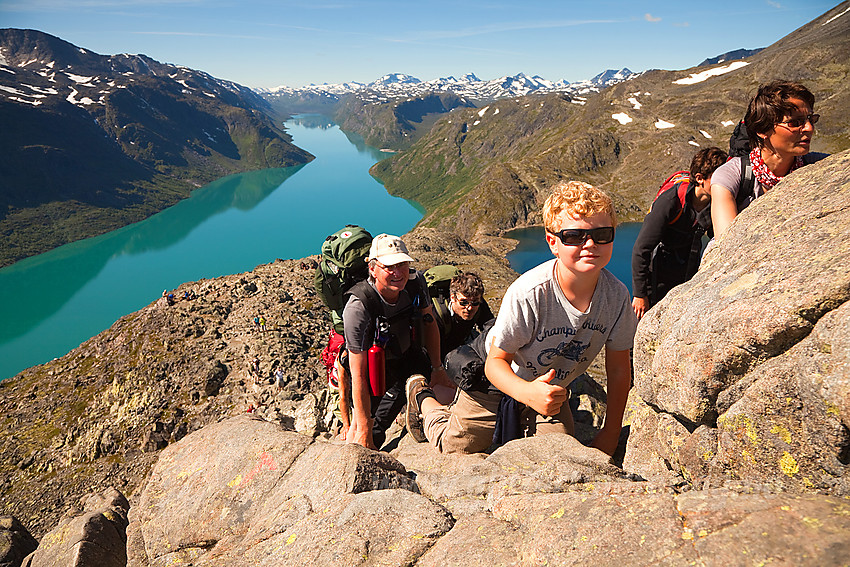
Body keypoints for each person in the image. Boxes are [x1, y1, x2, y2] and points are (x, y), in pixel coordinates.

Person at [406, 181, 638, 456]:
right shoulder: (530, 293)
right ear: (553, 242)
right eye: (574, 236)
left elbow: (620, 370)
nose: (590, 244)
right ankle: (422, 397)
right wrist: (527, 393)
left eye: (602, 235)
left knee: (561, 454)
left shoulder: (617, 297)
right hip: (491, 384)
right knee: (456, 447)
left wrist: (611, 433)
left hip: (547, 392)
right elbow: (495, 363)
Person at [342, 233, 448, 450]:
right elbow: (358, 371)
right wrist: (362, 427)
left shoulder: (415, 282)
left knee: (383, 422)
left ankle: (409, 416)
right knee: (364, 434)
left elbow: (428, 322)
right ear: (372, 269)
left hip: (405, 356)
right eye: (389, 267)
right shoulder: (358, 306)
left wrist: (437, 368)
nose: (398, 272)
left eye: (403, 264)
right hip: (372, 368)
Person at [711, 81, 828, 239]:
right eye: (795, 122)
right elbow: (725, 244)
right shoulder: (729, 176)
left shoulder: (820, 165)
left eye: (811, 119)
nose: (809, 128)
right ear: (762, 130)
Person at [631, 147, 727, 319]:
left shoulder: (718, 201)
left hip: (688, 266)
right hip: (659, 270)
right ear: (699, 178)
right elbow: (641, 249)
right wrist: (640, 294)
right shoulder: (670, 201)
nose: (725, 181)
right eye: (718, 176)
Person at [432, 271, 495, 360]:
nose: (469, 308)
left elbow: (490, 326)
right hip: (439, 349)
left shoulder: (479, 304)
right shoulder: (438, 314)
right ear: (453, 298)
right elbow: (433, 349)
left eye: (475, 302)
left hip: (463, 341)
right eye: (463, 302)